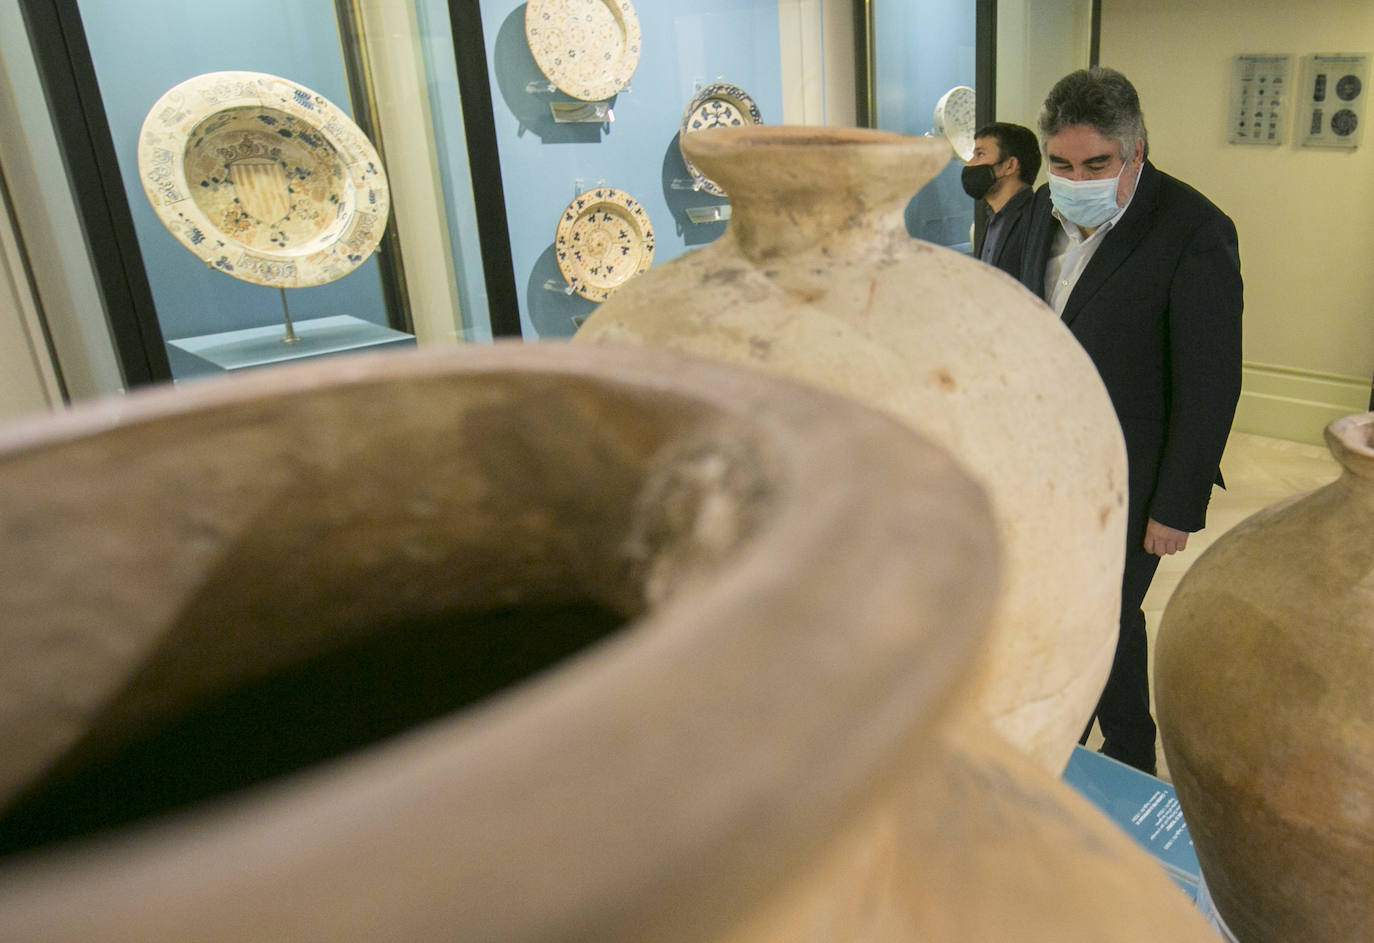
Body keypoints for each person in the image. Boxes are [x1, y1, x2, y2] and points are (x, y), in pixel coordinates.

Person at [1017, 68, 1242, 775]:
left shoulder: (1193, 230)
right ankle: (1132, 748)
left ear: (1136, 152)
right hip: (1041, 467)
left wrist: (1174, 506)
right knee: (1102, 612)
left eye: (1096, 164)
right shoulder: (1030, 214)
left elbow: (1210, 383)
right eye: (1060, 162)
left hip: (1130, 479)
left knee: (1089, 620)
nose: (1074, 176)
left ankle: (1047, 762)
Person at [962, 122, 1041, 277]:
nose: (970, 163)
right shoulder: (993, 218)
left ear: (1010, 166)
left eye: (980, 154)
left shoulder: (1035, 221)